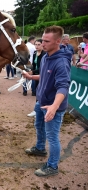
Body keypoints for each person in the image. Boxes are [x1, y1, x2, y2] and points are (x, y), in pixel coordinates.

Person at [22, 26, 71, 177]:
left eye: (46, 41)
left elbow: (63, 86)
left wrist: (54, 107)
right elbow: (45, 77)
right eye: (42, 40)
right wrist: (31, 77)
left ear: (58, 41)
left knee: (53, 137)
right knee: (38, 126)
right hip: (41, 102)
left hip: (52, 107)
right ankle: (40, 148)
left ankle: (52, 166)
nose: (42, 44)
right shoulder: (45, 57)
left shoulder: (61, 62)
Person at [27, 39, 46, 117]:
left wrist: (33, 72)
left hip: (43, 76)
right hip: (36, 76)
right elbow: (34, 65)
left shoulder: (44, 54)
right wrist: (30, 70)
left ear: (42, 45)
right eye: (36, 44)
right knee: (38, 93)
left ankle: (39, 111)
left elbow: (43, 67)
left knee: (41, 93)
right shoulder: (35, 53)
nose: (37, 46)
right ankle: (37, 110)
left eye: (39, 44)